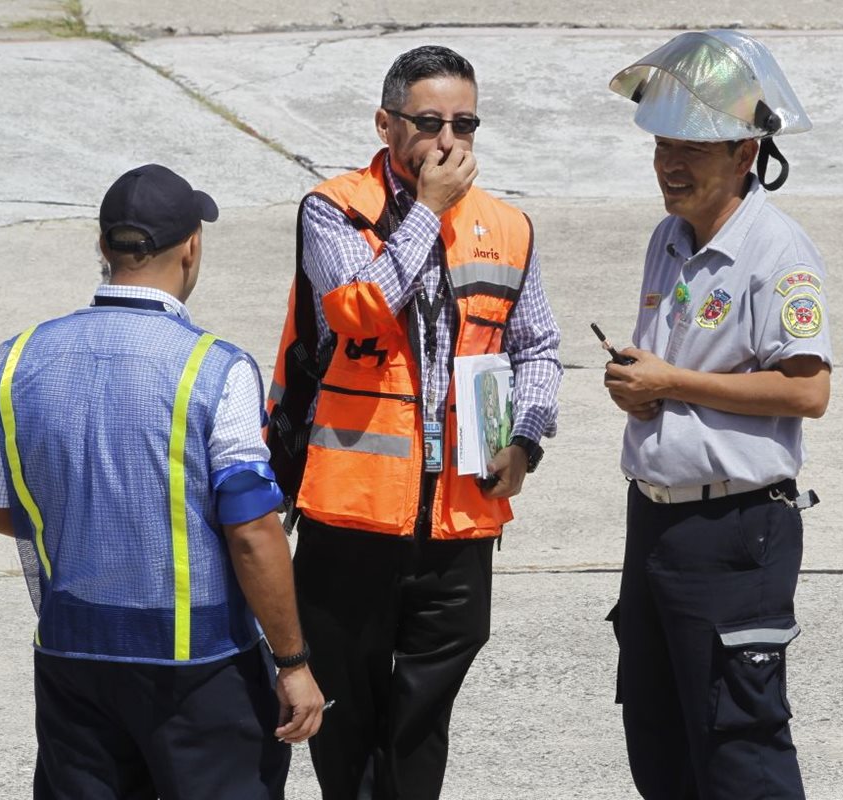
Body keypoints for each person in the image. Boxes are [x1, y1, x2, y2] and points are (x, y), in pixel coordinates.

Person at [265, 45, 562, 799]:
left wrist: (526, 437)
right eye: (429, 122)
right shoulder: (333, 210)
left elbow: (539, 347)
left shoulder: (507, 226)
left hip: (459, 517)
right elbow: (360, 305)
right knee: (347, 715)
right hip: (352, 515)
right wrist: (426, 213)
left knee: (422, 720)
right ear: (386, 123)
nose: (448, 141)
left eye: (465, 122)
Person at [0, 164, 323, 800]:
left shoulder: (15, 359)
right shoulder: (216, 368)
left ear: (103, 246)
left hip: (72, 656)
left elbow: (6, 506)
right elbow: (253, 531)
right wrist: (293, 663)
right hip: (199, 672)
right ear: (192, 245)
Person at [602, 30, 831, 800]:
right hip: (657, 525)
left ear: (743, 153)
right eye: (663, 141)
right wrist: (642, 384)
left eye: (692, 146)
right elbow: (670, 372)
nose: (670, 161)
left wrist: (674, 382)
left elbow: (807, 391)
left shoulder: (778, 254)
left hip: (735, 535)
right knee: (659, 745)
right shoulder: (667, 239)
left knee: (741, 752)